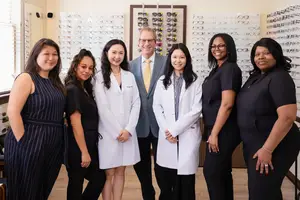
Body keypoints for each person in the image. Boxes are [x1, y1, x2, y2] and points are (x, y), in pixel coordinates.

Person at [236, 38, 300, 200]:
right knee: (262, 191)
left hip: (273, 145)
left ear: (276, 55)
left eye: (266, 53)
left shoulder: (280, 78)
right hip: (255, 144)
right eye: (257, 54)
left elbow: (287, 117)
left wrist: (267, 149)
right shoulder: (257, 77)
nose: (261, 57)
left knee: (262, 192)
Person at [4, 38, 65, 199]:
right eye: (46, 54)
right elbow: (13, 112)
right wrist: (24, 143)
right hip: (29, 142)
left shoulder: (55, 81)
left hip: (52, 144)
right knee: (26, 190)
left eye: (55, 54)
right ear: (36, 55)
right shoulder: (26, 78)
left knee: (42, 190)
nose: (51, 58)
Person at [153, 43, 202, 200]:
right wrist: (168, 131)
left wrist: (174, 130)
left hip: (186, 134)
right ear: (170, 59)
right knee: (168, 180)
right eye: (175, 57)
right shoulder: (162, 81)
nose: (178, 60)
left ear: (187, 59)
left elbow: (196, 110)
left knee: (186, 181)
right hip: (168, 135)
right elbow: (157, 106)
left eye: (182, 57)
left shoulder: (195, 81)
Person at [93, 39, 141, 200]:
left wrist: (128, 129)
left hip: (127, 132)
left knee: (121, 171)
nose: (117, 56)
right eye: (114, 52)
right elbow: (102, 107)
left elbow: (136, 103)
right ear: (106, 54)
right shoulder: (98, 77)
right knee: (109, 172)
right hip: (108, 133)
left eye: (121, 53)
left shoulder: (129, 76)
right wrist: (117, 131)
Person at [202, 33, 242, 200]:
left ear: (229, 48)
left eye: (221, 45)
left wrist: (214, 134)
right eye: (213, 46)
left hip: (223, 130)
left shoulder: (230, 69)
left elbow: (227, 104)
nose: (216, 49)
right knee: (222, 172)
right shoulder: (217, 69)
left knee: (212, 172)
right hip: (216, 128)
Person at [129, 27, 166, 200]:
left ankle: (165, 194)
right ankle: (148, 194)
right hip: (139, 124)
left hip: (161, 124)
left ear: (156, 42)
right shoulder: (129, 66)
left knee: (162, 166)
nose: (147, 43)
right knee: (141, 165)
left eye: (150, 40)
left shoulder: (167, 62)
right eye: (143, 40)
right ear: (138, 43)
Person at [64, 49, 106, 200]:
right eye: (83, 66)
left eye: (90, 68)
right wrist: (84, 152)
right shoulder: (73, 89)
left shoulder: (84, 88)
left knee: (97, 178)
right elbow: (75, 124)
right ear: (75, 66)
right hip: (78, 147)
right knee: (77, 183)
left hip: (88, 144)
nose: (87, 71)